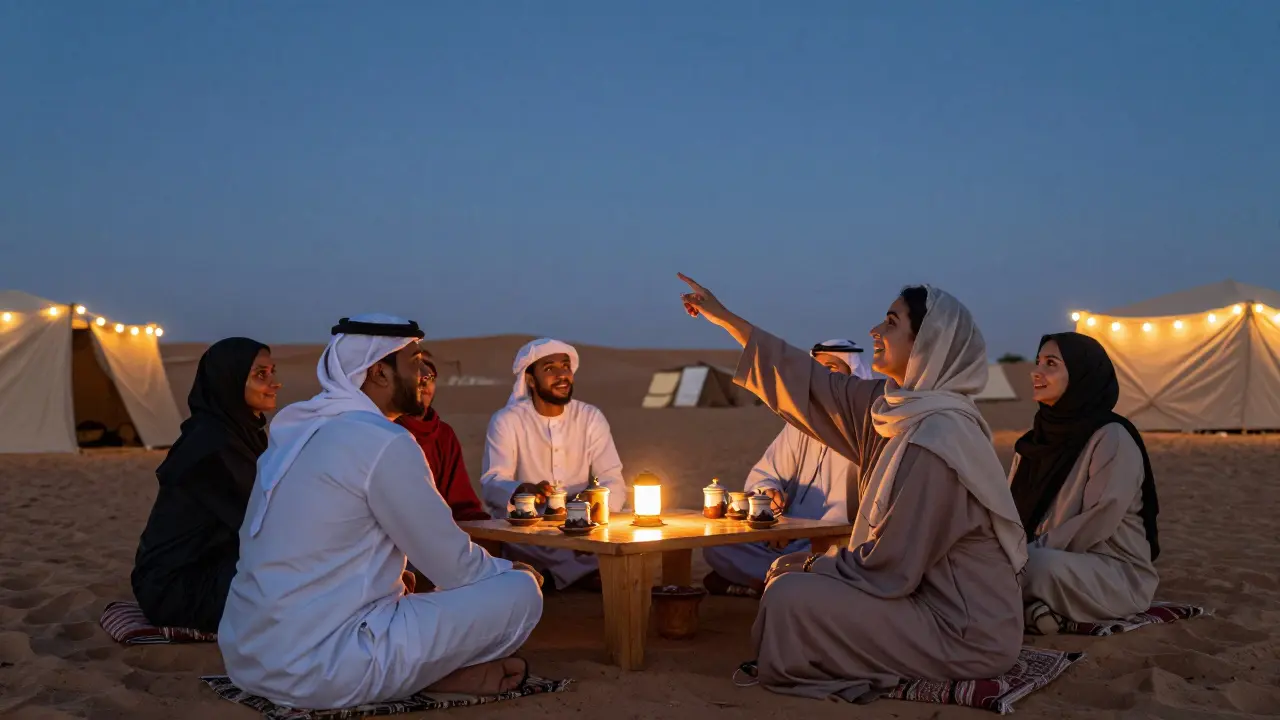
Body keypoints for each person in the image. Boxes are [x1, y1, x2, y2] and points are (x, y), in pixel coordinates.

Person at [678, 273, 1025, 703]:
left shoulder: (939, 437)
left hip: (961, 625)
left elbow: (890, 566)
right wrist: (727, 319)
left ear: (926, 342)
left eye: (891, 322)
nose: (875, 332)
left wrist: (810, 564)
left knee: (790, 596)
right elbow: (813, 383)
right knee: (787, 580)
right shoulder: (894, 411)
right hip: (912, 595)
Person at [218, 315, 543, 709]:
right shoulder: (383, 440)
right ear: (379, 373)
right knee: (521, 594)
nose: (424, 372)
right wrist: (514, 573)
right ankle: (426, 673)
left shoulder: (299, 431)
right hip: (323, 668)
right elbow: (455, 568)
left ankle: (434, 672)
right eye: (415, 360)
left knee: (407, 585)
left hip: (248, 657)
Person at [1011, 332, 1159, 633]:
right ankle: (1033, 611)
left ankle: (1020, 605)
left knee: (1032, 568)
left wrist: (1022, 554)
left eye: (1051, 363)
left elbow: (1099, 518)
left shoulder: (1111, 436)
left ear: (1081, 374)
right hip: (1041, 555)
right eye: (1038, 361)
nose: (1036, 371)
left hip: (1108, 570)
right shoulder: (1033, 442)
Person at [703, 339, 875, 597]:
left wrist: (797, 531)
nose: (823, 377)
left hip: (833, 538)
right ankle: (778, 582)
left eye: (832, 368)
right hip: (784, 534)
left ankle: (767, 583)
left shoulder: (866, 429)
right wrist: (769, 500)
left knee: (833, 559)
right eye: (816, 370)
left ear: (853, 375)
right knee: (717, 546)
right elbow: (767, 473)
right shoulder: (799, 423)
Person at [131, 337, 279, 633]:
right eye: (261, 374)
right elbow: (262, 521)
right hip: (175, 589)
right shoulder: (212, 446)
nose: (275, 383)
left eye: (272, 372)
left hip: (211, 565)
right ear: (230, 380)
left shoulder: (238, 434)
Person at [479, 338, 626, 590]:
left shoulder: (590, 417)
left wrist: (595, 501)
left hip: (583, 528)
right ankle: (568, 576)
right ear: (530, 379)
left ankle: (553, 577)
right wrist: (521, 490)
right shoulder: (507, 421)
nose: (562, 375)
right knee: (525, 547)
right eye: (549, 369)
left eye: (566, 366)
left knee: (617, 539)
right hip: (533, 532)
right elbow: (493, 481)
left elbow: (612, 476)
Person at [396, 351, 489, 521]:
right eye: (416, 374)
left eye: (430, 378)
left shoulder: (443, 434)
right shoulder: (387, 432)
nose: (424, 383)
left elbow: (461, 502)